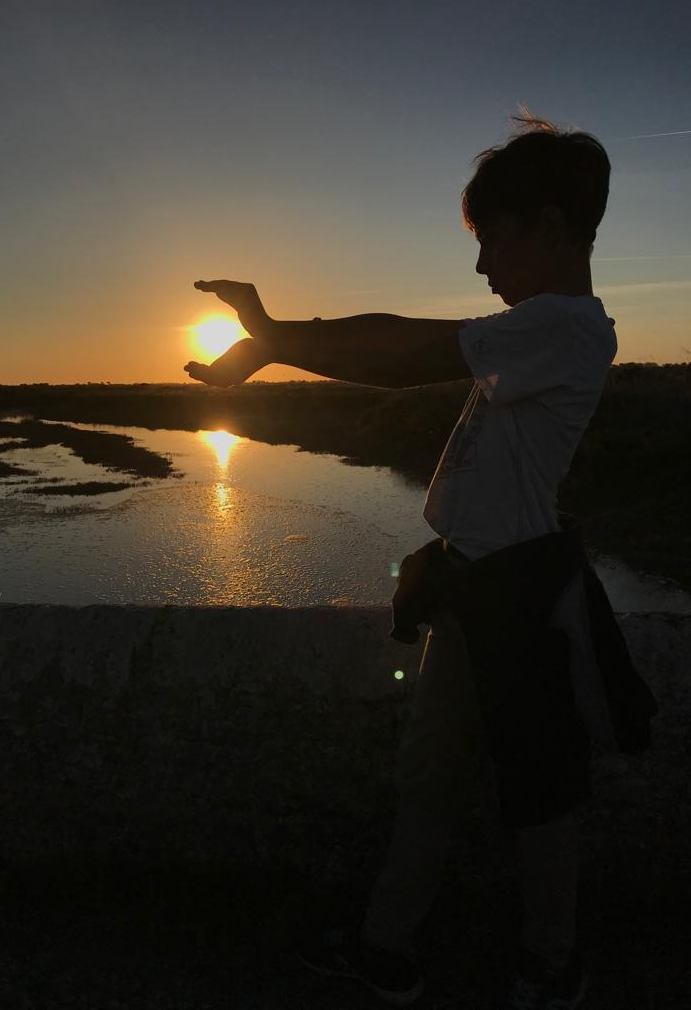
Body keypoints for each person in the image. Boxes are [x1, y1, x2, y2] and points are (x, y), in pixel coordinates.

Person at [186, 109, 620, 1009]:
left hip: (519, 595)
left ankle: (550, 965)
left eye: (491, 238)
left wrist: (276, 338)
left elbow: (408, 347)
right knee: (432, 777)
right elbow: (412, 342)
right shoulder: (537, 329)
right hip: (478, 584)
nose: (480, 265)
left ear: (548, 226)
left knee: (539, 791)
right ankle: (389, 945)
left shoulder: (567, 329)